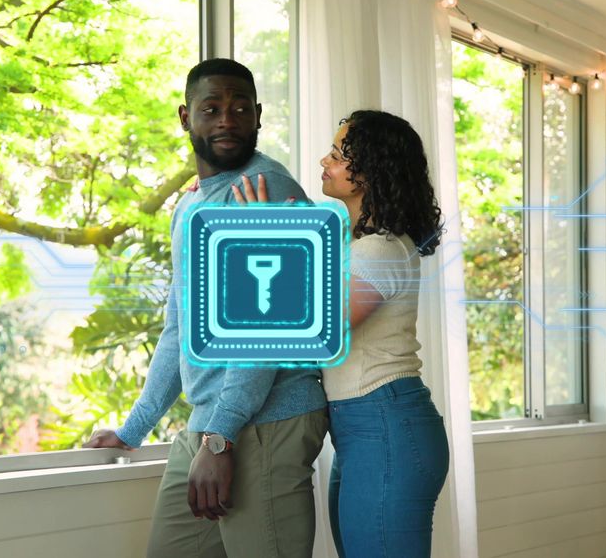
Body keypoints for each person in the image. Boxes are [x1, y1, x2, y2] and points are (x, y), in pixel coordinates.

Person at [84, 58, 328, 558]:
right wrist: (133, 429)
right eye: (211, 108)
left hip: (266, 423)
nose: (227, 120)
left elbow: (268, 326)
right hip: (212, 423)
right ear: (185, 116)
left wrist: (221, 438)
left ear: (258, 116)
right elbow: (179, 326)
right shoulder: (191, 206)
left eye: (241, 108)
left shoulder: (268, 190)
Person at [233, 109, 450, 558]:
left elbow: (312, 333)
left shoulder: (381, 250)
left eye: (336, 154)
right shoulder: (357, 244)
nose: (323, 161)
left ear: (370, 172)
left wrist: (269, 238)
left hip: (386, 423)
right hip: (364, 427)